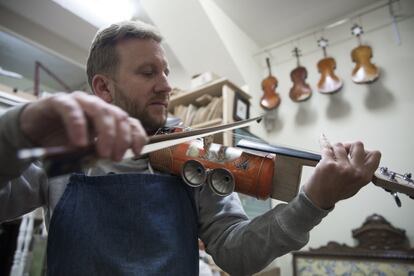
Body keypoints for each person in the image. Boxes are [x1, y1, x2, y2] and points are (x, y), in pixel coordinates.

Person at [0, 21, 381, 275]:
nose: (166, 85)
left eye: (166, 72)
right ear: (103, 88)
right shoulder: (60, 154)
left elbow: (236, 252)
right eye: (149, 73)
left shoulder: (192, 159)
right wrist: (18, 128)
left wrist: (312, 202)